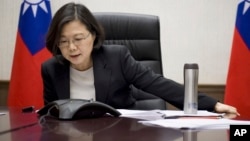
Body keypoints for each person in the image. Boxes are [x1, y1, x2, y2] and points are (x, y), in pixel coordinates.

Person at [41, 2, 239, 117]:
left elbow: (157, 84)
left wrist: (212, 104)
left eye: (78, 39)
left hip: (118, 135)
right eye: (63, 41)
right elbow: (53, 114)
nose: (72, 47)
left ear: (93, 35)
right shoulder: (51, 68)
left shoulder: (117, 57)